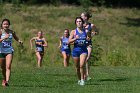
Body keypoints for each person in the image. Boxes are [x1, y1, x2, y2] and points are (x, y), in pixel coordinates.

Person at [0, 18, 23, 86]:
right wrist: (4, 38)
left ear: (9, 25)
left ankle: (7, 81)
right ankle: (4, 79)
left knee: (8, 66)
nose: (6, 25)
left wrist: (19, 41)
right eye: (4, 24)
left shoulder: (11, 32)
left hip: (9, 51)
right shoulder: (0, 32)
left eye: (7, 24)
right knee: (2, 68)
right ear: (2, 25)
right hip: (1, 52)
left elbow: (16, 37)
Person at [69, 17, 88, 86]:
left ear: (82, 22)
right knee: (77, 67)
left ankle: (82, 80)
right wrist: (75, 38)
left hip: (83, 51)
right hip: (76, 51)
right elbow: (69, 41)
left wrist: (88, 39)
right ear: (75, 23)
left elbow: (88, 39)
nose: (79, 22)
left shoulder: (85, 31)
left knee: (81, 65)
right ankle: (79, 79)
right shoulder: (73, 32)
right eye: (77, 21)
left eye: (80, 21)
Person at [81, 12, 98, 81]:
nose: (81, 17)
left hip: (89, 44)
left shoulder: (92, 25)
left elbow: (97, 31)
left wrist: (95, 33)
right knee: (83, 60)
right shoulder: (80, 25)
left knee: (87, 59)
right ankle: (84, 75)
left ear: (86, 17)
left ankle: (87, 74)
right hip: (81, 44)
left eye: (82, 16)